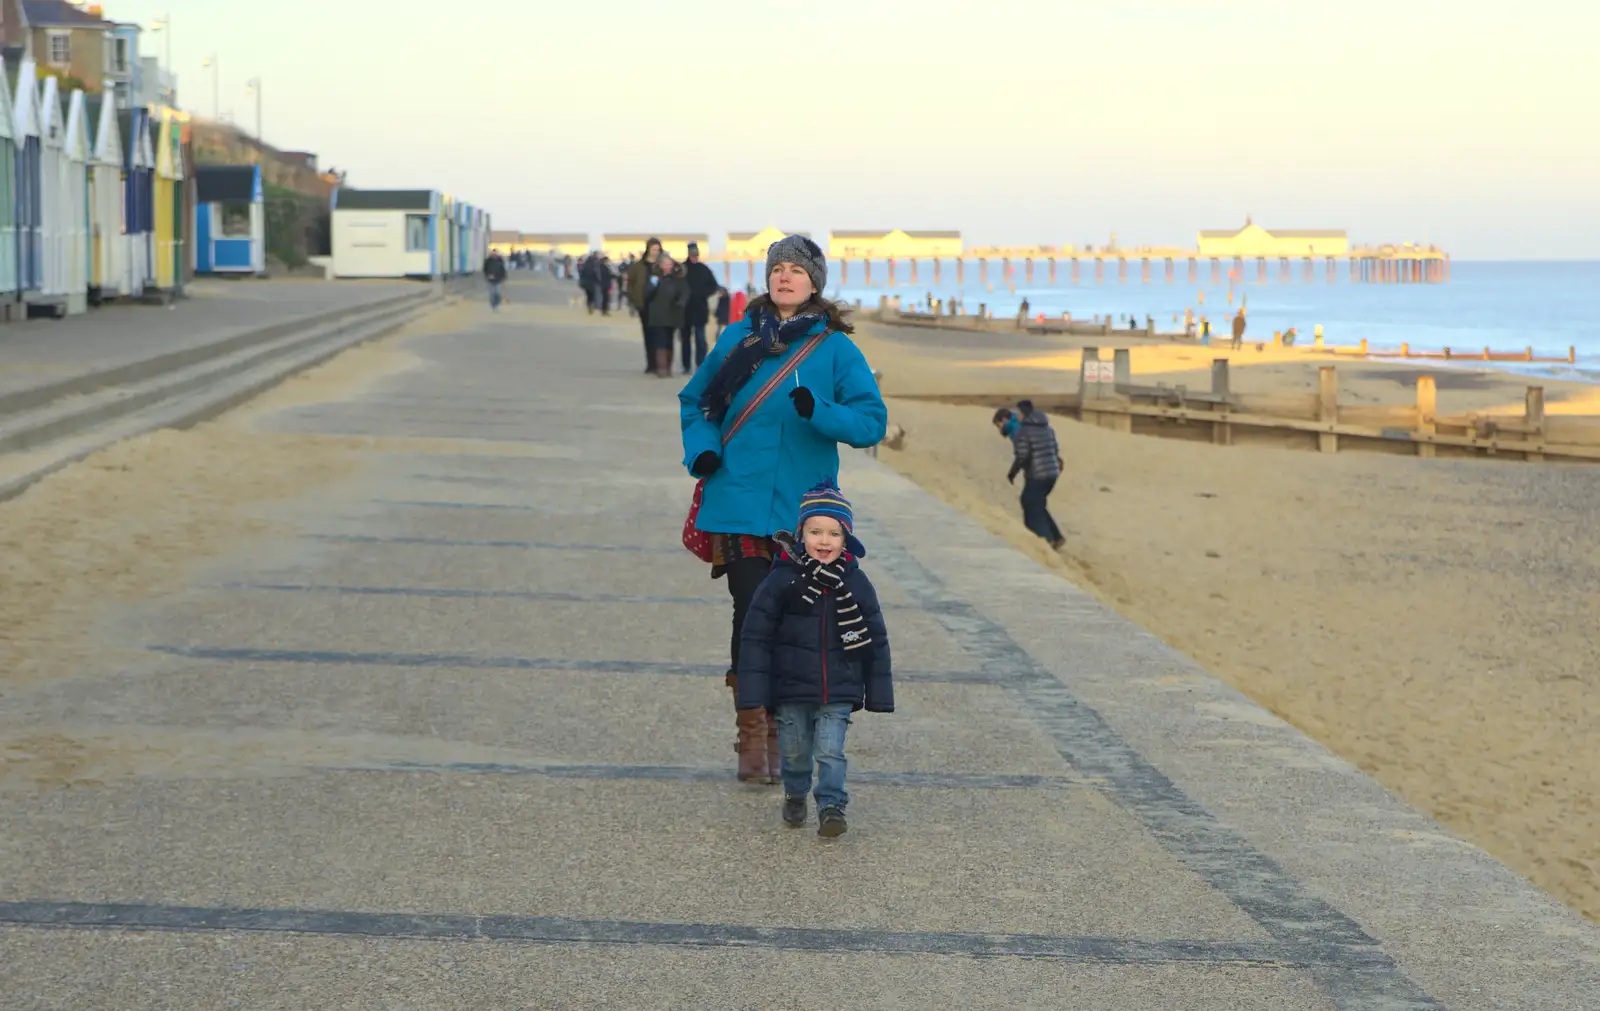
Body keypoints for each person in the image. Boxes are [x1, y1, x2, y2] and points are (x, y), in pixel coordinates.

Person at [678, 234, 887, 784]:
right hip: (738, 500)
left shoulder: (837, 350)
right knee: (751, 613)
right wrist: (702, 448)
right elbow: (696, 402)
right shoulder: (738, 337)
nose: (785, 276)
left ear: (815, 281)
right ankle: (752, 730)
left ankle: (782, 727)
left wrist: (819, 411)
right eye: (778, 268)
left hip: (804, 512)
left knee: (798, 618)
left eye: (797, 269)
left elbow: (871, 422)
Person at [736, 483, 893, 837]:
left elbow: (876, 638)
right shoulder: (782, 581)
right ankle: (795, 793)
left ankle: (832, 806)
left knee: (830, 752)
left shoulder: (855, 582)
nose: (824, 541)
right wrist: (753, 692)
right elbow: (756, 636)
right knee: (794, 753)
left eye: (834, 533)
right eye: (816, 531)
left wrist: (879, 693)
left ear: (846, 539)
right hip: (790, 688)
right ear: (800, 533)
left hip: (839, 686)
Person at [994, 401, 1064, 549]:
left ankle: (1045, 539)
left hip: (1037, 474)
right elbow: (1055, 447)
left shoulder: (1023, 431)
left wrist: (1012, 472)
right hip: (1052, 473)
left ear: (1022, 414)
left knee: (1029, 502)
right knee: (1037, 502)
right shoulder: (1046, 427)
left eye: (1017, 413)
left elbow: (1022, 455)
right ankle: (1056, 537)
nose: (1016, 415)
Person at [644, 254, 690, 377]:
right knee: (660, 341)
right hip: (658, 315)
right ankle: (662, 368)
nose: (669, 266)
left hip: (673, 314)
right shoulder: (655, 278)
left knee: (669, 341)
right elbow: (647, 295)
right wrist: (653, 285)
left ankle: (668, 367)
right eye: (666, 264)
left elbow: (685, 292)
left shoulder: (678, 278)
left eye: (670, 264)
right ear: (660, 265)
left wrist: (681, 302)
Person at [680, 242, 720, 374]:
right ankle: (686, 366)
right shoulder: (682, 269)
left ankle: (700, 365)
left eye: (696, 254)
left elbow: (713, 285)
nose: (694, 257)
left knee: (700, 338)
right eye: (692, 254)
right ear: (688, 254)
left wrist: (703, 294)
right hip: (684, 310)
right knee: (685, 339)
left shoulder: (704, 269)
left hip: (700, 308)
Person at [626, 238, 664, 372]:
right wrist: (633, 299)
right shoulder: (639, 266)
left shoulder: (663, 265)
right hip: (644, 304)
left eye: (658, 250)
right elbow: (630, 283)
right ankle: (651, 364)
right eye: (653, 249)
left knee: (659, 334)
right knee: (648, 334)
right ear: (648, 249)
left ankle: (660, 363)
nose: (655, 252)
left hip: (660, 305)